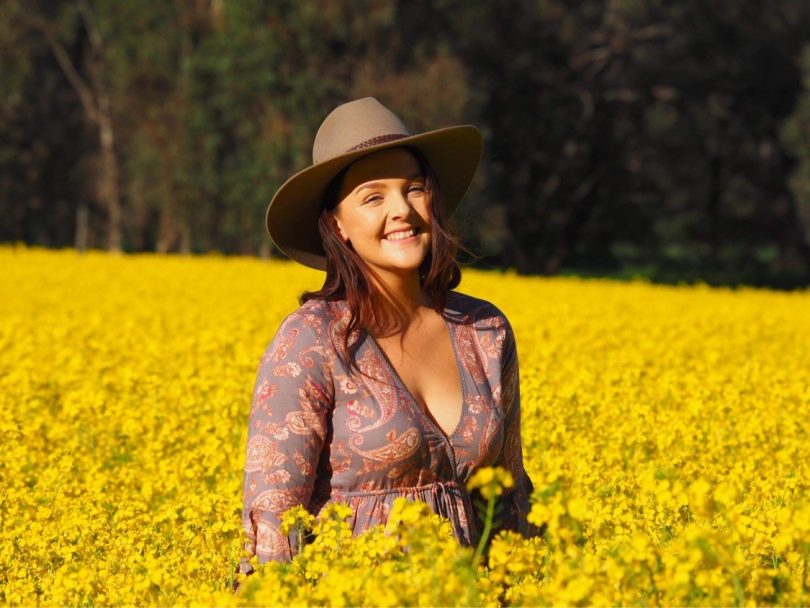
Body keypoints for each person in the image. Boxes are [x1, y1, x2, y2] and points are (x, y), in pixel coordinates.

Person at [237, 97, 539, 577]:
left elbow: (510, 499)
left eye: (414, 190)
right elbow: (275, 520)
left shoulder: (485, 332)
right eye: (373, 197)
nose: (402, 210)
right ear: (338, 224)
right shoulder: (312, 340)